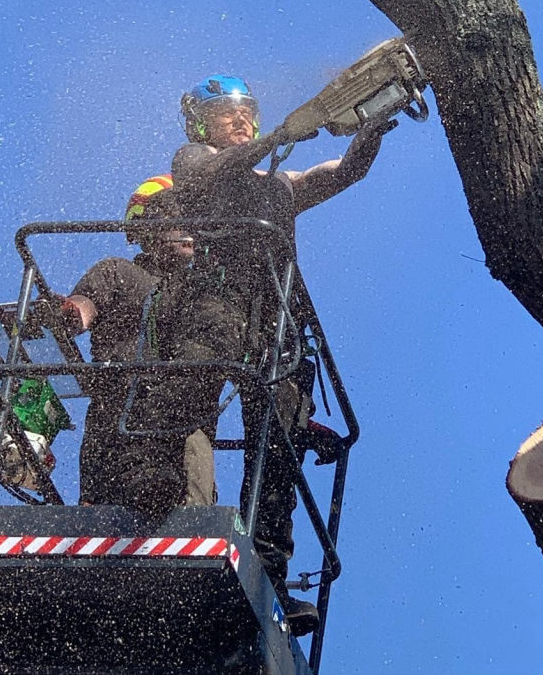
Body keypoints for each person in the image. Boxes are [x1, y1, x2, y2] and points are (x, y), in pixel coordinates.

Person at [165, 73, 390, 635]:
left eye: (247, 112)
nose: (240, 120)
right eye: (227, 113)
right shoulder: (194, 161)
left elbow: (341, 172)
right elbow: (209, 172)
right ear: (201, 124)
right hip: (215, 301)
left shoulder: (281, 183)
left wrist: (371, 126)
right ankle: (179, 519)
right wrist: (281, 135)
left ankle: (268, 570)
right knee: (187, 405)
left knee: (279, 444)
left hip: (279, 319)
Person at [61, 174, 219, 514]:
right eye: (178, 214)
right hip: (116, 424)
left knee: (188, 524)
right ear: (147, 227)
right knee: (101, 523)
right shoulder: (118, 273)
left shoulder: (207, 293)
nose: (190, 225)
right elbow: (84, 306)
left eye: (196, 216)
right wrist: (68, 315)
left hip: (183, 433)